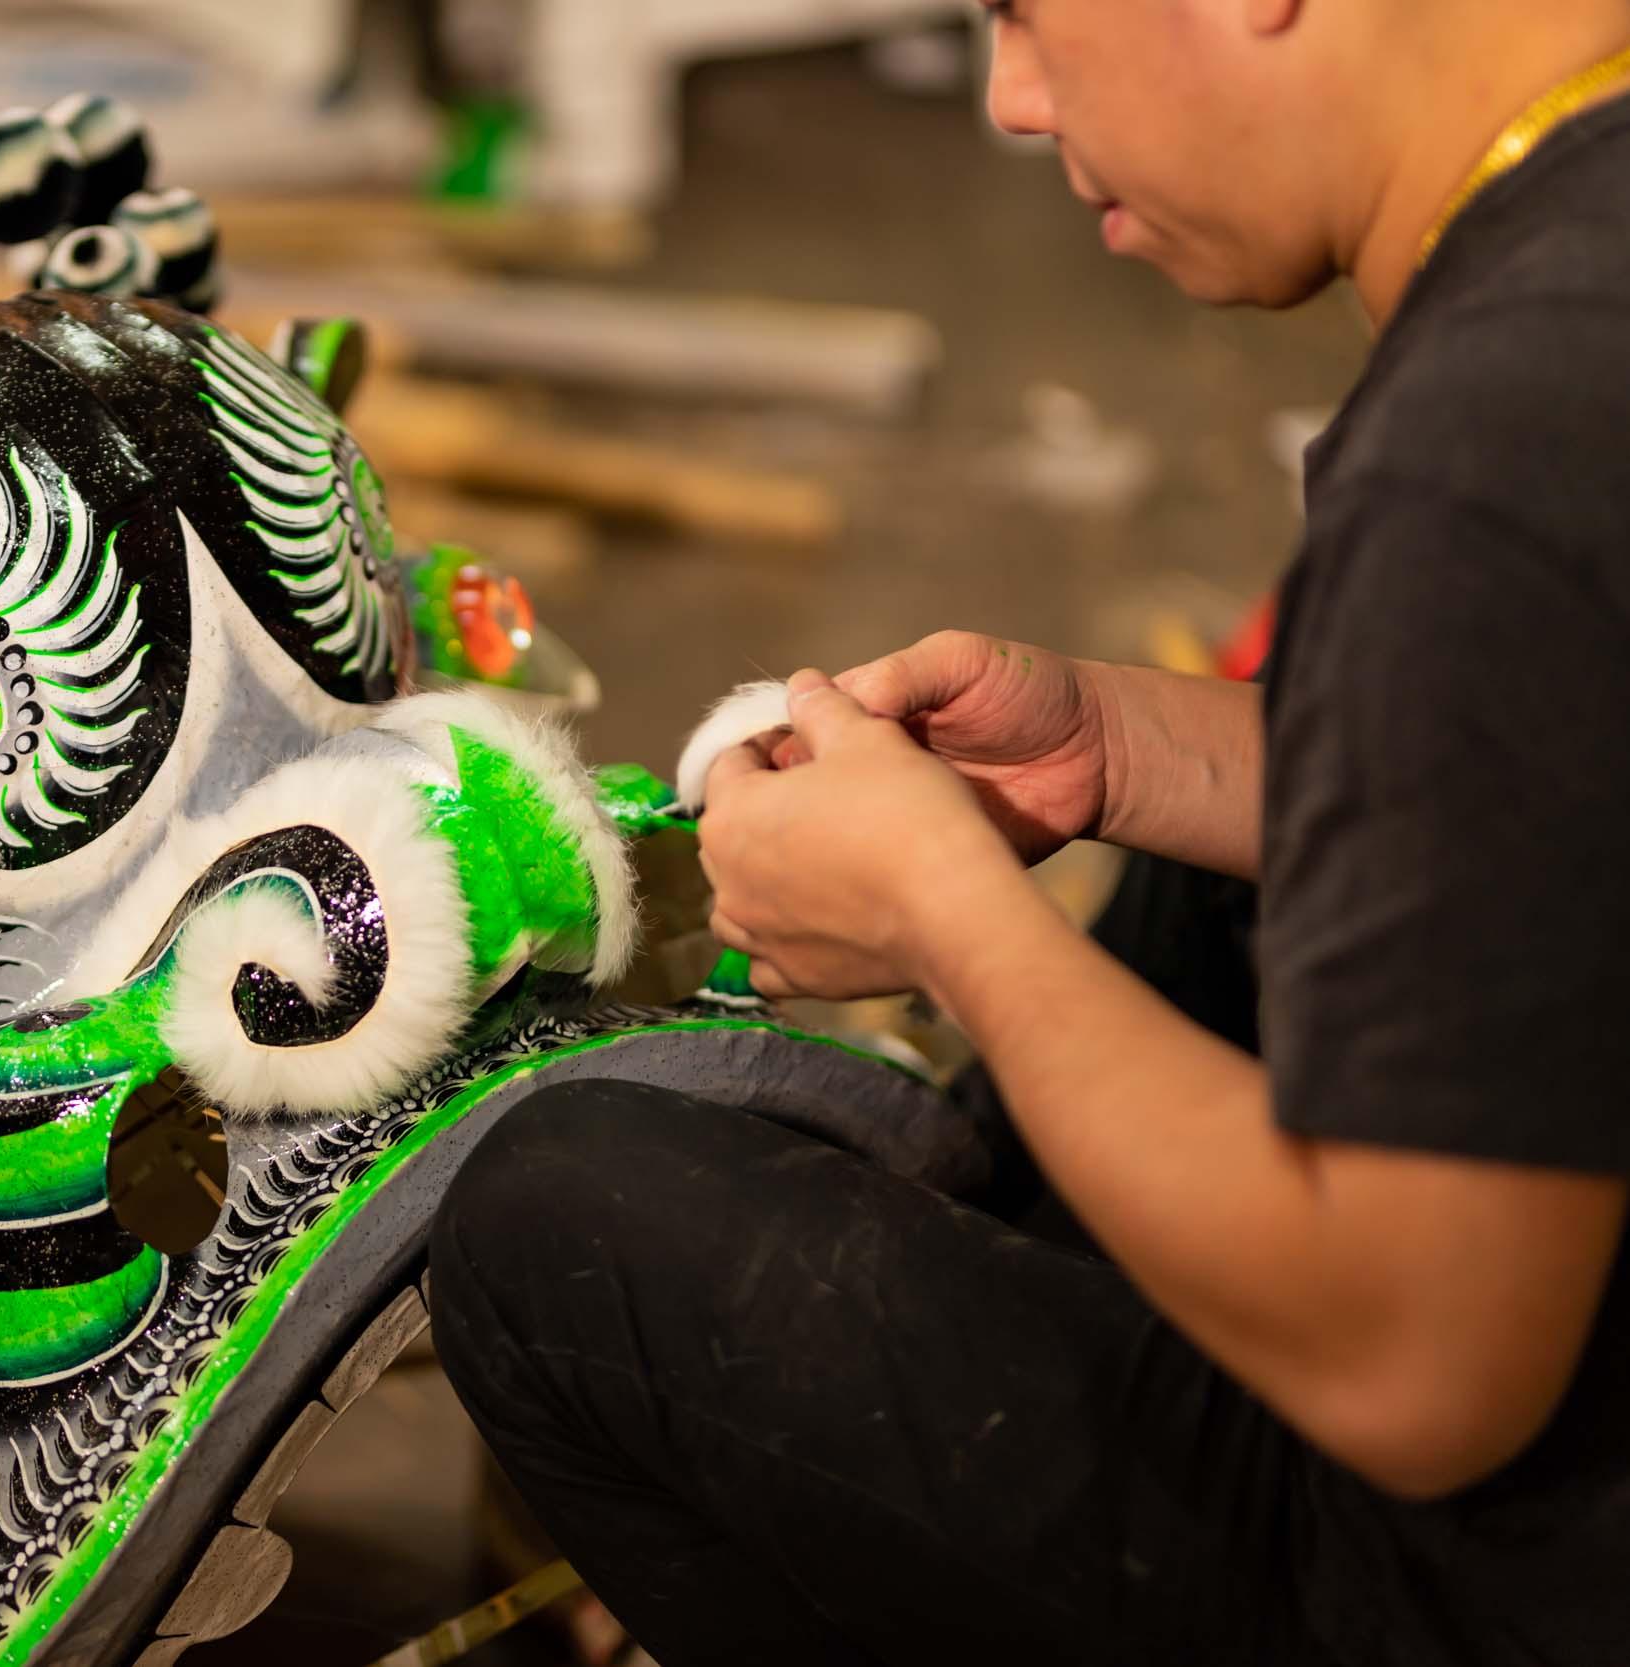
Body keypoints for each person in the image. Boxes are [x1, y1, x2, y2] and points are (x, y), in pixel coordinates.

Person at [426, 2, 1630, 1663]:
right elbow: (1541, 791)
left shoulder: (1498, 439)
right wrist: (1131, 750)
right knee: (1215, 911)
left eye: (1023, 12)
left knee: (557, 1240)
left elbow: (1425, 1369)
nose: (1009, 98)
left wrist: (947, 923)